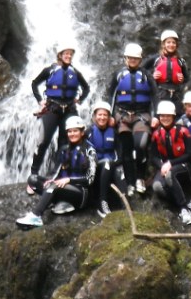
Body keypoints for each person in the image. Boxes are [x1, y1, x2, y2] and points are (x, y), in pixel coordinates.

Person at [27, 43, 89, 193]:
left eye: (70, 54)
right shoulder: (50, 70)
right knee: (43, 141)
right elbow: (34, 83)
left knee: (64, 145)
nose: (68, 56)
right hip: (52, 108)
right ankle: (33, 176)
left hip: (69, 109)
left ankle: (56, 175)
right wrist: (40, 100)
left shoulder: (75, 72)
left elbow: (86, 88)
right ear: (60, 55)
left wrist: (79, 99)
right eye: (66, 53)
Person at [17, 116, 97, 229]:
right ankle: (55, 200)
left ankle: (36, 216)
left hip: (81, 193)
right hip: (63, 187)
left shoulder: (90, 151)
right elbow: (57, 170)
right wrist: (52, 179)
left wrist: (69, 180)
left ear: (82, 132)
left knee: (54, 186)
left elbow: (90, 179)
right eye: (70, 131)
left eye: (75, 131)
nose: (72, 134)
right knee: (33, 179)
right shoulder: (64, 149)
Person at [109, 42, 155, 197]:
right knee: (126, 149)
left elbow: (154, 96)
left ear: (140, 60)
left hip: (142, 114)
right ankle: (130, 182)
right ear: (126, 58)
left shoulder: (146, 75)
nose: (133, 60)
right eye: (130, 58)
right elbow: (111, 95)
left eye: (135, 58)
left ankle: (140, 178)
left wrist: (155, 117)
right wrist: (110, 115)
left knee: (140, 145)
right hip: (122, 114)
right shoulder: (119, 74)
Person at [149, 99, 191, 225]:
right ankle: (185, 203)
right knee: (157, 187)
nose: (165, 118)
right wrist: (162, 165)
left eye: (168, 115)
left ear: (173, 116)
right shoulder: (156, 134)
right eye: (162, 116)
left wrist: (171, 163)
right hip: (165, 166)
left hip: (184, 166)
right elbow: (153, 156)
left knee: (170, 174)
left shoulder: (183, 131)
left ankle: (183, 208)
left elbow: (189, 154)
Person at [86, 102, 124, 217]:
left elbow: (120, 154)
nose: (102, 117)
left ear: (109, 117)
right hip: (95, 168)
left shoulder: (113, 132)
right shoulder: (89, 132)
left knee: (123, 186)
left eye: (105, 115)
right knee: (107, 163)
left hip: (111, 166)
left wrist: (115, 164)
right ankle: (102, 203)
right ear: (94, 116)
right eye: (99, 115)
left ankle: (124, 207)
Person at [143, 29, 189, 116]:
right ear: (163, 44)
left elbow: (187, 79)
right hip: (160, 93)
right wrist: (152, 76)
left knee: (177, 118)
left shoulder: (181, 61)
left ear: (176, 45)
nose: (171, 45)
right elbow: (142, 71)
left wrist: (182, 79)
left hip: (176, 95)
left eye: (173, 42)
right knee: (160, 117)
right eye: (168, 42)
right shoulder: (155, 59)